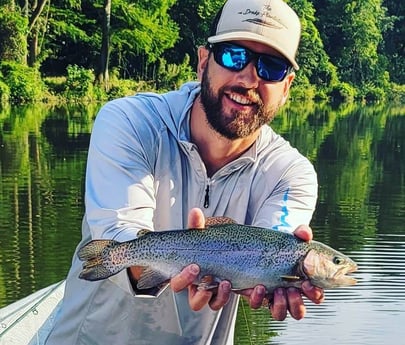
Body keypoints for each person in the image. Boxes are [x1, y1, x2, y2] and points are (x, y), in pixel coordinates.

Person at [44, 0, 324, 343]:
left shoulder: (291, 174)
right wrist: (179, 263)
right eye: (234, 55)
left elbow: (272, 246)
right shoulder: (130, 122)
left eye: (271, 67)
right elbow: (117, 233)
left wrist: (271, 286)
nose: (249, 77)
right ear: (203, 61)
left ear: (287, 87)